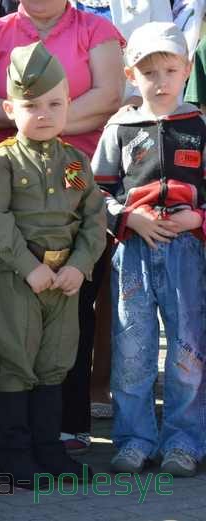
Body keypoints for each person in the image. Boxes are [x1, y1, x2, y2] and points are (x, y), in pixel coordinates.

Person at [0, 41, 106, 485]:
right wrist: (27, 267)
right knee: (17, 362)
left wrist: (81, 264)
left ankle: (50, 451)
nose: (44, 114)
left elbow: (94, 219)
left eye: (55, 103)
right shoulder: (3, 161)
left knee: (55, 362)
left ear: (69, 104)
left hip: (64, 279)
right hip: (17, 278)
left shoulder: (75, 162)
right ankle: (15, 456)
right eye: (32, 105)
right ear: (10, 108)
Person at [93, 22, 206, 477]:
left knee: (187, 350)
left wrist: (198, 218)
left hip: (187, 252)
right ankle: (134, 439)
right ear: (129, 74)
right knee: (133, 350)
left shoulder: (198, 126)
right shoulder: (119, 127)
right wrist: (127, 217)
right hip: (134, 250)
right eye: (148, 72)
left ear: (188, 69)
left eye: (169, 69)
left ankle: (184, 442)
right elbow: (88, 188)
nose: (160, 81)